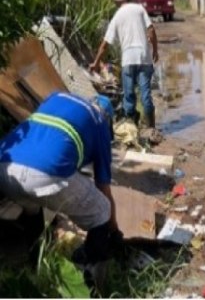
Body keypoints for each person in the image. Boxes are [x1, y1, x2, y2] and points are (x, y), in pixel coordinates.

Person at [0, 92, 122, 271]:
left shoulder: (57, 97)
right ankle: (89, 273)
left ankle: (36, 264)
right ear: (108, 117)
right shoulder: (100, 122)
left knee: (32, 206)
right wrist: (114, 231)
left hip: (4, 165)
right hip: (45, 171)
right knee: (102, 209)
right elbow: (103, 187)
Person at [90, 0, 159, 127]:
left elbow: (105, 44)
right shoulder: (139, 9)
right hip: (144, 57)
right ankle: (152, 127)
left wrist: (96, 62)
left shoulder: (117, 16)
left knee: (129, 96)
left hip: (128, 59)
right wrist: (155, 51)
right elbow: (151, 30)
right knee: (145, 95)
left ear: (116, 2)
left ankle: (132, 128)